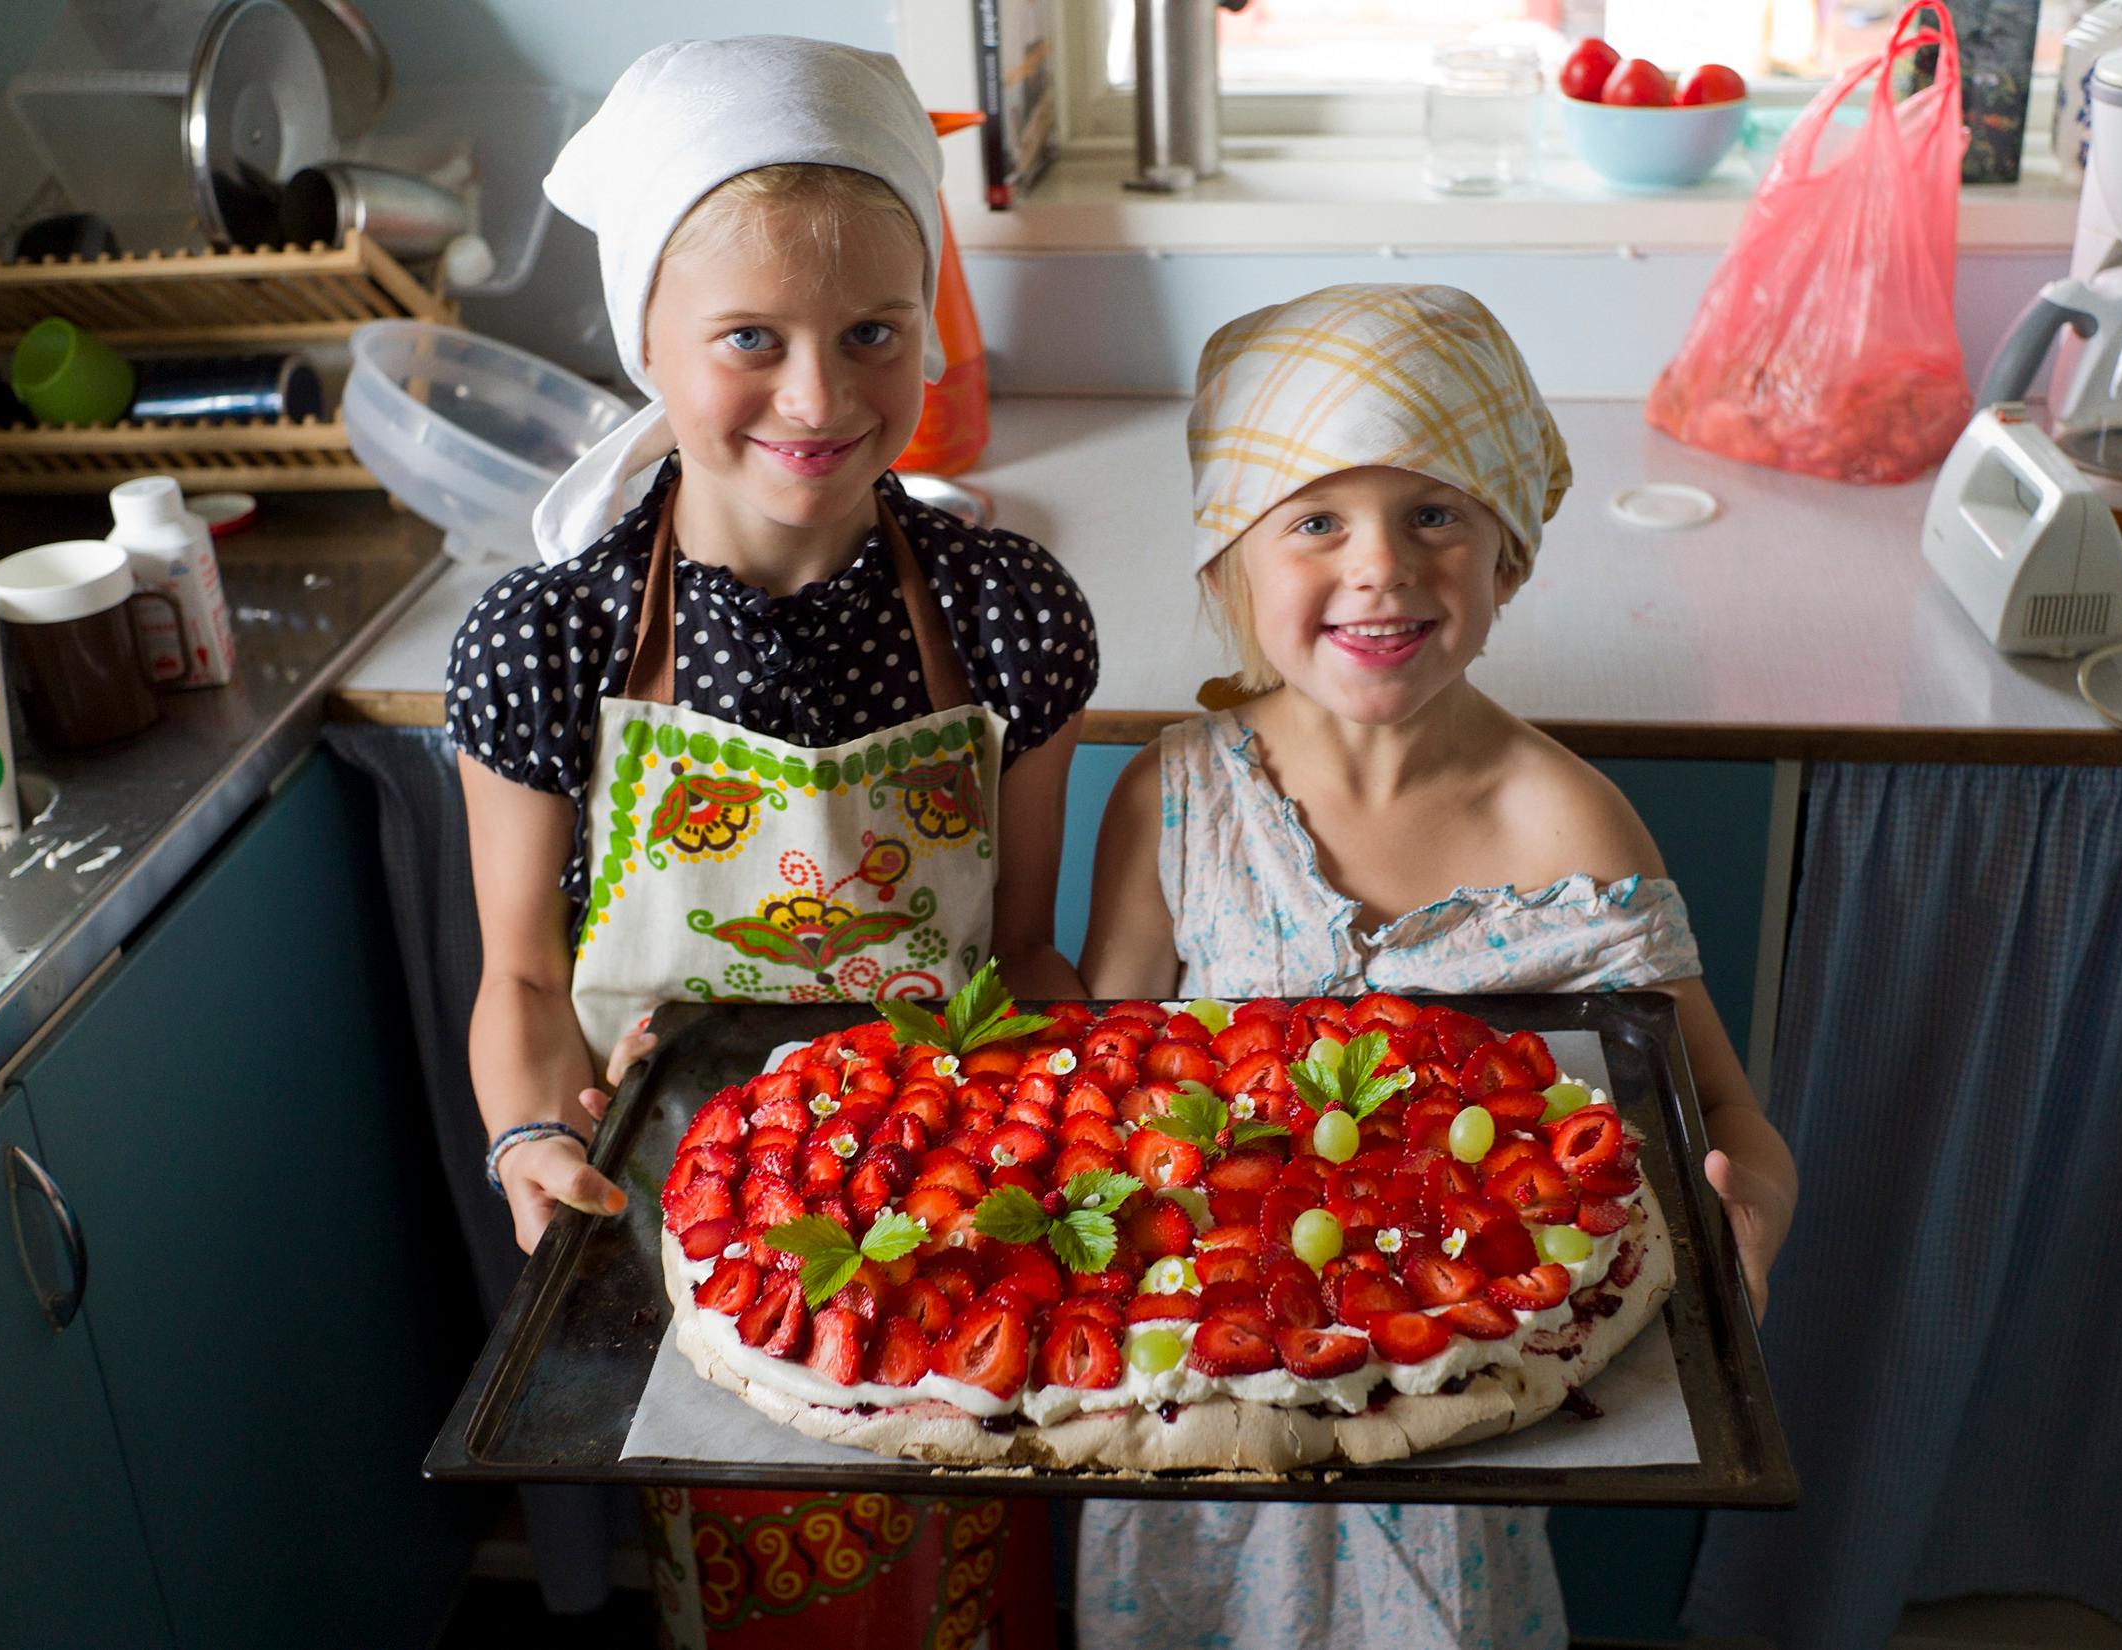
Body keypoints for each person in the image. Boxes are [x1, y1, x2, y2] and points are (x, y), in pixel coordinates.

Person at [443, 36, 1091, 1650]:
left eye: (875, 332)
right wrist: (533, 1143)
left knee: (972, 1589)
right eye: (751, 337)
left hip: (960, 1223)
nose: (820, 396)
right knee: (750, 1586)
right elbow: (521, 975)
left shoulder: (1008, 612)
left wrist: (1074, 1138)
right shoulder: (545, 637)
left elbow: (1019, 951)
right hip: (686, 1232)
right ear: (646, 343)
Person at [1073, 282, 1797, 1650]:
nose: (1382, 569)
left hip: (1458, 1463)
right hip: (1200, 1432)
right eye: (1316, 520)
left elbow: (1732, 1121)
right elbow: (1103, 1097)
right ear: (1233, 555)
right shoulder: (1175, 801)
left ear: (1510, 552)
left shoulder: (1570, 827)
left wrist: (1746, 1213)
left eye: (1436, 514)